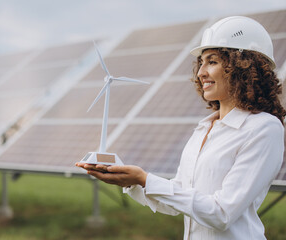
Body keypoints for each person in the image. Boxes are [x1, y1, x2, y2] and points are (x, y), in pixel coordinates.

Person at [76, 16, 286, 239]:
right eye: (201, 62)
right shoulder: (205, 128)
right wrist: (133, 182)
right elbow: (178, 201)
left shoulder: (264, 129)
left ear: (244, 66)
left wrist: (144, 178)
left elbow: (222, 213)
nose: (200, 72)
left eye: (212, 61)